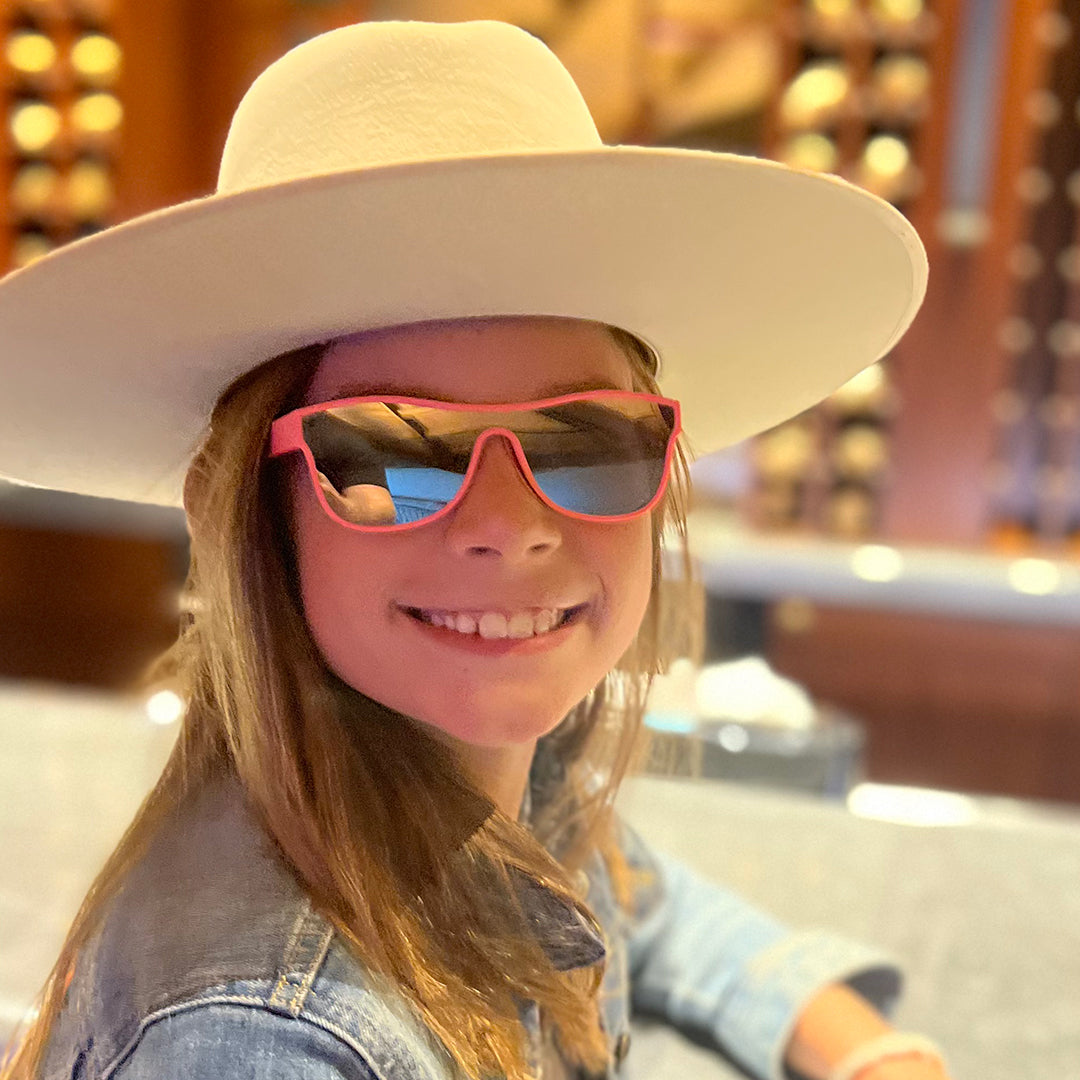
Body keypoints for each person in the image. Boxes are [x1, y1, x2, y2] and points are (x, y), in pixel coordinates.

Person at [0, 19, 947, 1080]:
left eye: (586, 444)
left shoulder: (475, 772)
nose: (511, 524)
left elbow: (641, 900)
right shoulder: (262, 1041)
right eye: (394, 453)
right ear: (246, 512)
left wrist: (870, 1051)